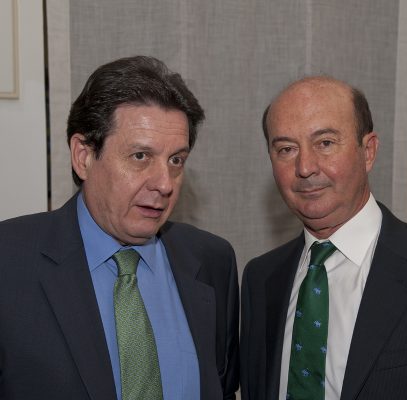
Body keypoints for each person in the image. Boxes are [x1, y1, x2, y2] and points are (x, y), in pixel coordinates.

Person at [0, 56, 239, 400]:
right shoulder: (9, 262)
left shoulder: (212, 261)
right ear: (83, 156)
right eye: (140, 156)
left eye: (176, 160)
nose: (165, 183)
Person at [240, 76, 407, 400]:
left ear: (368, 152)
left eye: (325, 143)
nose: (305, 167)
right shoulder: (260, 279)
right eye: (286, 149)